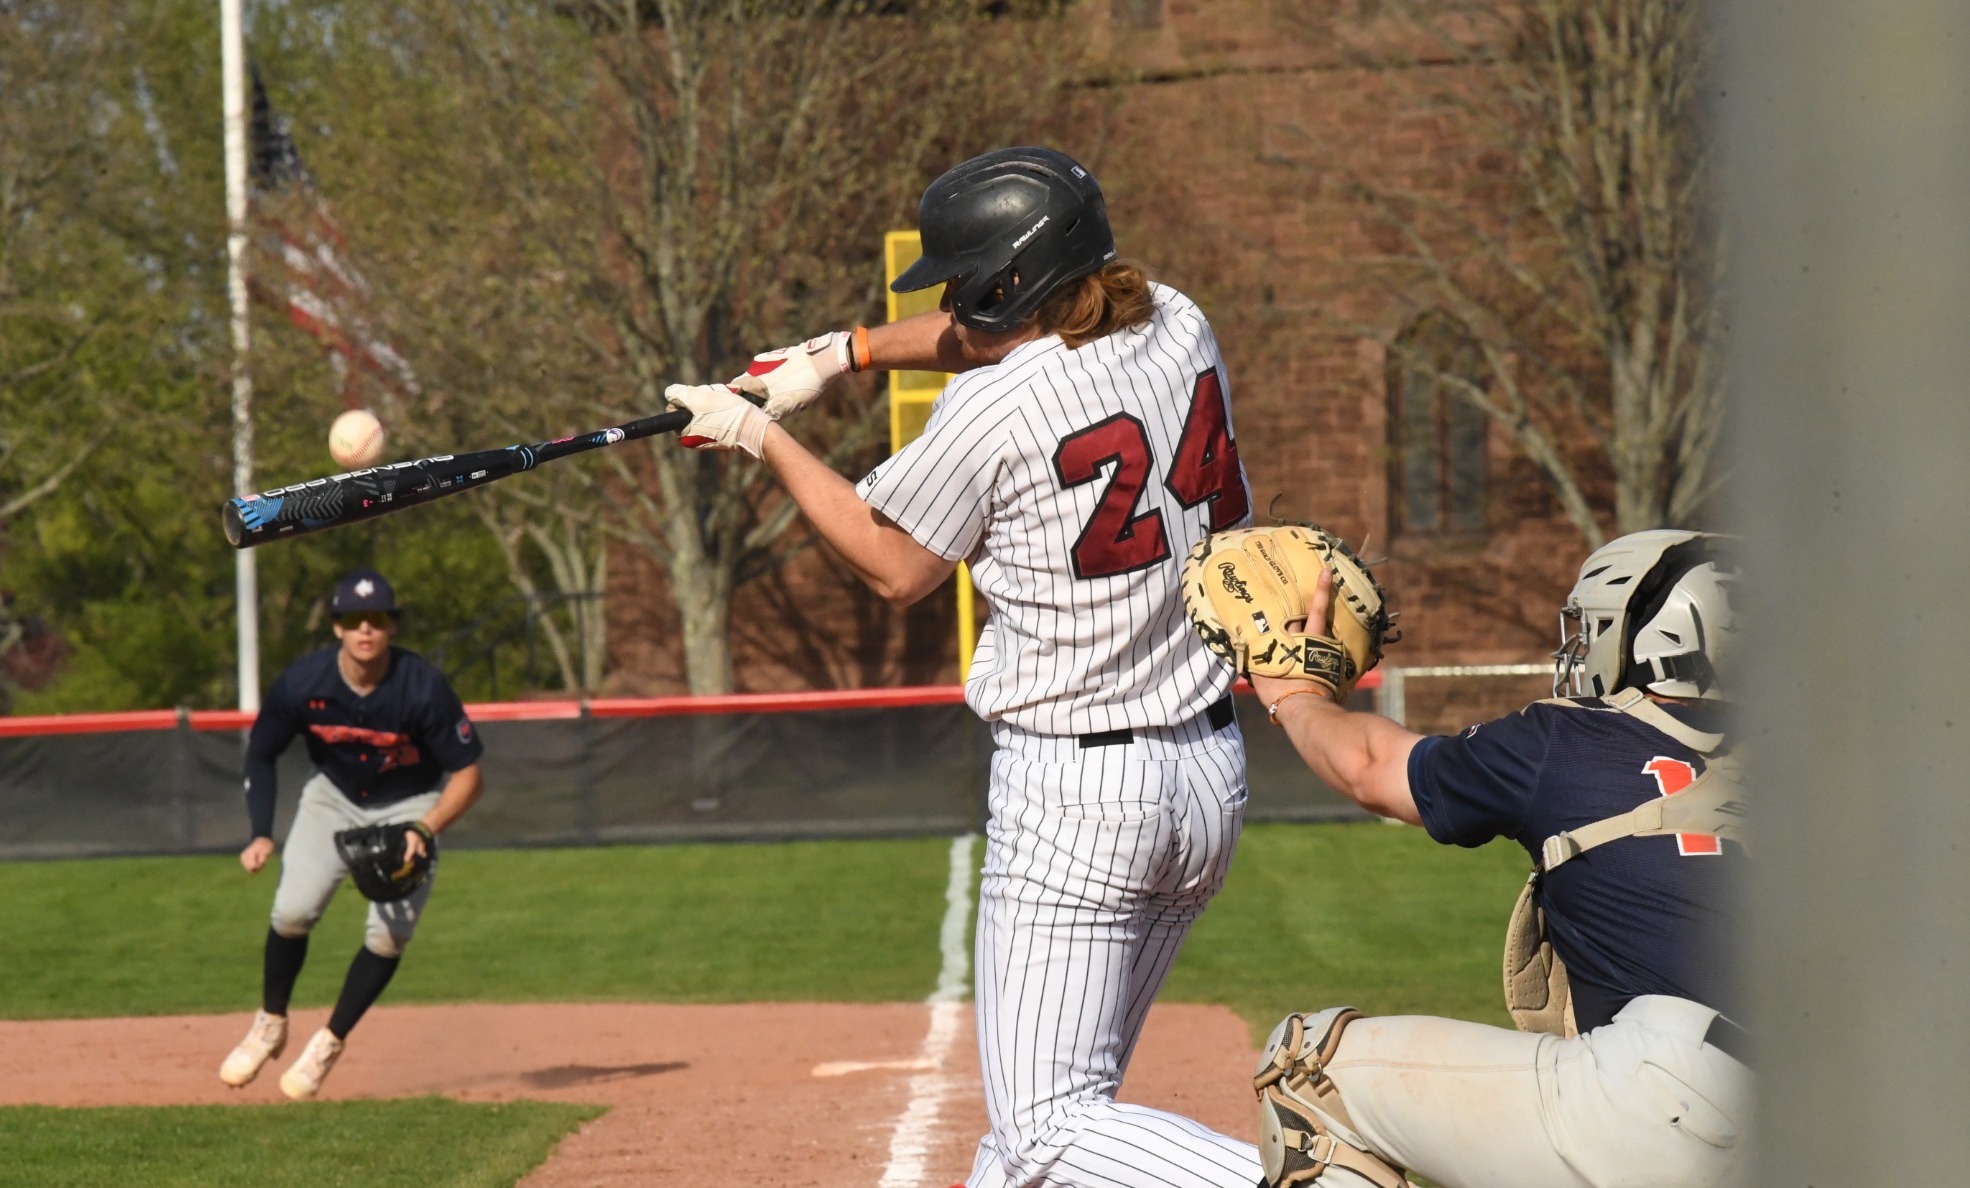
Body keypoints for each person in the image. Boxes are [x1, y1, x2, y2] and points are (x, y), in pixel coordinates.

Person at [666, 147, 1265, 1188]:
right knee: (1028, 1146)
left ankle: (1308, 1177)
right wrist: (837, 353)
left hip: (1079, 796)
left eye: (965, 280)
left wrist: (761, 436)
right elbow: (1003, 334)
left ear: (1005, 286)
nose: (948, 298)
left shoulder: (988, 413)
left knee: (1045, 1128)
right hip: (1205, 777)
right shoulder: (1175, 318)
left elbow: (896, 566)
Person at [1239, 529, 1748, 1188]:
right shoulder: (1829, 773)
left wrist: (1295, 695)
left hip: (1667, 1099)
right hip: (1831, 1116)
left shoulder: (1565, 742)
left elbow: (1370, 768)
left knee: (1308, 1067)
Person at [218, 567, 484, 1100]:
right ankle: (271, 1022)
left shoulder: (422, 687)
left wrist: (425, 828)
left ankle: (328, 1043)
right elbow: (262, 752)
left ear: (392, 628)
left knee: (389, 934)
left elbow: (470, 774)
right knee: (293, 911)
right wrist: (260, 832)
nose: (366, 629)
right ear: (337, 627)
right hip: (334, 796)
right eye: (354, 619)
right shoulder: (304, 683)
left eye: (378, 619)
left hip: (410, 802)